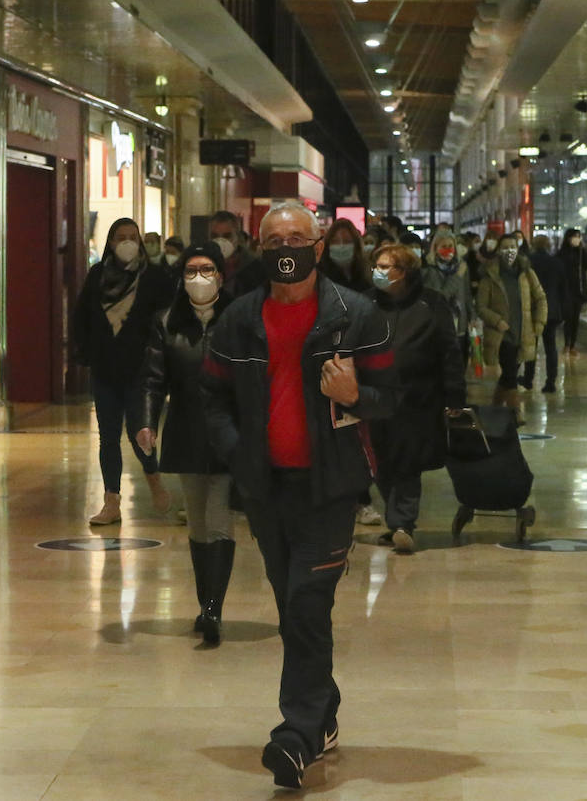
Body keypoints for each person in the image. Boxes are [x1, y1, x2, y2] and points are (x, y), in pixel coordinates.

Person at [201, 203, 398, 789]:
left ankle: (298, 733)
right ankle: (324, 710)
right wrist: (238, 452)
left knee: (308, 601)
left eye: (296, 237)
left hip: (329, 486)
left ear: (317, 247)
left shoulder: (356, 315)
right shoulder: (238, 320)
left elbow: (394, 398)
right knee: (292, 605)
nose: (285, 247)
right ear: (259, 248)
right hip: (266, 486)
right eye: (273, 239)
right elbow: (211, 398)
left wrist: (356, 394)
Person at [135, 243, 236, 645]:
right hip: (187, 429)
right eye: (191, 270)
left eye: (207, 269)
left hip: (230, 432)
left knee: (219, 518)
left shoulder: (238, 318)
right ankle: (205, 603)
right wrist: (147, 422)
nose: (199, 277)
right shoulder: (167, 321)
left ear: (221, 276)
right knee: (197, 521)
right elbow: (152, 378)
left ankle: (213, 608)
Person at [368, 243, 467, 553]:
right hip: (374, 398)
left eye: (386, 267)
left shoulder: (431, 304)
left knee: (407, 462)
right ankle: (396, 520)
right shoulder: (367, 303)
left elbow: (449, 351)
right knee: (381, 463)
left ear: (404, 272)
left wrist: (455, 394)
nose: (379, 272)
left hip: (417, 400)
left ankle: (403, 523)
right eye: (377, 266)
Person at [72, 218, 172, 525]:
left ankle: (153, 477)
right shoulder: (98, 276)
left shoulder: (154, 277)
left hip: (141, 371)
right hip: (105, 370)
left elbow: (166, 320)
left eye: (132, 237)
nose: (127, 242)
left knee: (140, 432)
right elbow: (82, 317)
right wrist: (85, 352)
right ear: (111, 242)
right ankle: (111, 501)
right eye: (121, 237)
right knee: (108, 436)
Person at [315, 219, 381, 528]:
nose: (341, 247)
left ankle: (362, 498)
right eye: (336, 241)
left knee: (359, 435)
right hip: (328, 362)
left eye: (347, 241)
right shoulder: (319, 281)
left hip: (361, 364)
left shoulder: (367, 283)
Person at [475, 234, 547, 423]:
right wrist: (497, 321)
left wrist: (539, 322)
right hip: (501, 335)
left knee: (508, 376)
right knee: (510, 374)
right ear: (498, 250)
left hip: (522, 333)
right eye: (505, 247)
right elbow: (480, 306)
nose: (509, 251)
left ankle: (495, 409)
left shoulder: (527, 273)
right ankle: (516, 413)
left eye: (513, 247)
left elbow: (540, 297)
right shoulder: (490, 276)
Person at [522, 234, 567, 393]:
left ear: (534, 245)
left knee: (531, 345)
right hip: (552, 310)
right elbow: (563, 288)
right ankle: (551, 382)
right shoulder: (557, 263)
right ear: (548, 245)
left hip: (532, 309)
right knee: (551, 347)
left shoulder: (528, 261)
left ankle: (528, 379)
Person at [421, 230, 474, 339]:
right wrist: (457, 276)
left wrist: (472, 316)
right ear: (435, 249)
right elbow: (440, 298)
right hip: (440, 327)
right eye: (443, 246)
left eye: (450, 246)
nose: (448, 249)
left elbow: (467, 294)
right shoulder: (430, 270)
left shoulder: (461, 266)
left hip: (460, 325)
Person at [207, 210, 266, 296]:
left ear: (237, 237)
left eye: (227, 236)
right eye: (214, 236)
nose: (220, 241)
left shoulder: (256, 268)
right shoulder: (200, 267)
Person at [557, 228, 587, 357]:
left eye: (579, 236)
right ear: (568, 238)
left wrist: (583, 249)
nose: (577, 239)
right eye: (574, 236)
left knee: (575, 319)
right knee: (568, 318)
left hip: (578, 291)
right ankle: (567, 344)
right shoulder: (562, 253)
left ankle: (572, 345)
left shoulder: (580, 253)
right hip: (566, 290)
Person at [318, 218, 372, 295]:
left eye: (347, 241)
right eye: (335, 241)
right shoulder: (319, 276)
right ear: (327, 245)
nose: (341, 245)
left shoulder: (366, 273)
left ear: (356, 245)